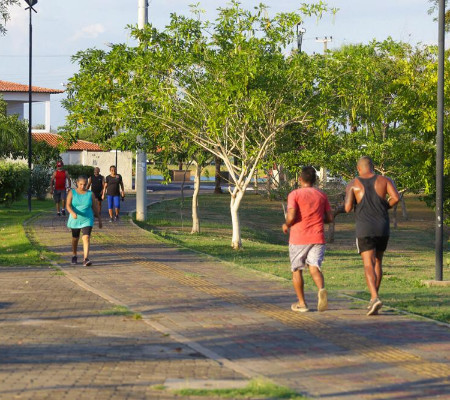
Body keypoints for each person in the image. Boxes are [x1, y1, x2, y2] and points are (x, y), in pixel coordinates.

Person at [344, 156, 399, 316]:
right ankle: (374, 298)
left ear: (358, 169)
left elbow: (347, 208)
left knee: (368, 263)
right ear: (373, 167)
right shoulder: (385, 180)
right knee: (378, 262)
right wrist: (384, 206)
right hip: (382, 227)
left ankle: (374, 297)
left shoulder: (353, 184)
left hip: (365, 228)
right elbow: (396, 198)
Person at [282, 166, 333, 313]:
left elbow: (291, 215)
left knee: (297, 269)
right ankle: (321, 289)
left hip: (299, 237)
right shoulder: (321, 195)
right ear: (315, 180)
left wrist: (286, 224)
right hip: (317, 237)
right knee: (314, 267)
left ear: (300, 179)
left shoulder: (295, 194)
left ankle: (302, 303)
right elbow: (330, 218)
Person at [66, 175, 102, 266]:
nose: (83, 186)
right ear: (77, 183)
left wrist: (99, 219)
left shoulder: (90, 194)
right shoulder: (72, 192)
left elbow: (95, 207)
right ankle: (74, 255)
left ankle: (86, 259)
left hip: (87, 218)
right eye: (81, 184)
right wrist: (72, 213)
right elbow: (68, 205)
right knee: (75, 238)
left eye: (85, 184)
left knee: (86, 237)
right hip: (75, 218)